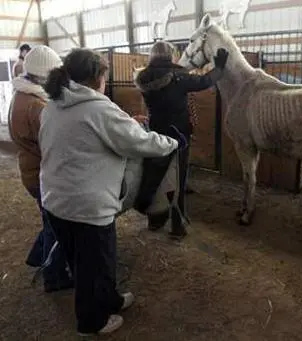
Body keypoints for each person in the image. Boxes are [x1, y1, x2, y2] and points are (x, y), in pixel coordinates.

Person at [40, 48, 179, 336]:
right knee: (95, 264)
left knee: (85, 262)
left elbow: (89, 135)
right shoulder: (98, 108)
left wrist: (129, 124)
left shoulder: (53, 104)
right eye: (105, 76)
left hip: (55, 200)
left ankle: (110, 299)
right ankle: (92, 322)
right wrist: (170, 143)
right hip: (88, 205)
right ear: (96, 77)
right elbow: (139, 143)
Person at [134, 41, 229, 239]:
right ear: (171, 55)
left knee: (155, 176)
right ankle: (177, 226)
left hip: (154, 134)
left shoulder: (143, 77)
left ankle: (155, 219)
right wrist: (219, 68)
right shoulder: (178, 76)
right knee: (178, 179)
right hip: (178, 136)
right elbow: (204, 82)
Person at [8, 45, 73, 293]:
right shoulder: (38, 107)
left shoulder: (21, 96)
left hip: (31, 170)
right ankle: (54, 277)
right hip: (42, 175)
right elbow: (54, 146)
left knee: (50, 222)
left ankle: (38, 256)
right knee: (56, 228)